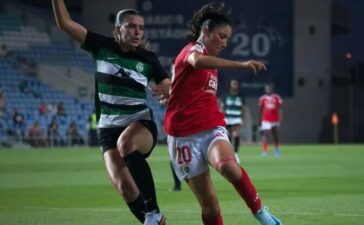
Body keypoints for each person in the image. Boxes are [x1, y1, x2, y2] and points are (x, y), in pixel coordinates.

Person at [51, 1, 171, 224]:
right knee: (125, 188)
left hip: (139, 123)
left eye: (141, 27)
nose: (137, 32)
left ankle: (153, 211)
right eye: (131, 26)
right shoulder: (101, 46)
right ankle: (156, 221)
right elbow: (65, 23)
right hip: (107, 130)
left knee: (126, 144)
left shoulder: (148, 59)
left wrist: (168, 89)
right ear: (118, 29)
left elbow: (167, 84)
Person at [164, 3, 282, 225]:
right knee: (210, 207)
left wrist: (170, 91)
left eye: (228, 38)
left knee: (229, 166)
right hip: (182, 137)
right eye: (222, 36)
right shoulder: (192, 50)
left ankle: (260, 212)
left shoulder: (211, 62)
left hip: (211, 128)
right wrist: (242, 65)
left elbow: (189, 89)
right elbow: (196, 62)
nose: (225, 43)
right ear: (205, 31)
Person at [221, 79, 248, 163]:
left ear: (238, 85)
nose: (234, 86)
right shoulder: (225, 95)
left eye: (236, 84)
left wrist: (244, 119)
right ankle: (228, 154)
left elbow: (243, 109)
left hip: (237, 118)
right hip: (228, 118)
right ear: (230, 85)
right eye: (233, 84)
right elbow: (222, 108)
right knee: (228, 137)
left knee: (236, 135)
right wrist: (221, 119)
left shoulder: (241, 96)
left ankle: (235, 153)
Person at [258, 83, 283, 157]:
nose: (268, 90)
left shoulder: (277, 97)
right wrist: (259, 119)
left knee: (275, 135)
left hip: (275, 119)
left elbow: (280, 109)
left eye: (269, 88)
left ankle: (277, 150)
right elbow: (261, 110)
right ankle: (265, 151)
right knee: (265, 135)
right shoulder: (263, 98)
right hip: (265, 119)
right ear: (265, 89)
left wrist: (280, 117)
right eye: (267, 89)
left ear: (272, 89)